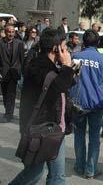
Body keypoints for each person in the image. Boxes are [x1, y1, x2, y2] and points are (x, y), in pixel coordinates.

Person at [10, 28, 74, 185]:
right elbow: (55, 88)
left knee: (57, 176)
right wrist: (66, 67)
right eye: (65, 47)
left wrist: (69, 70)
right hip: (40, 130)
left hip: (55, 129)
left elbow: (62, 87)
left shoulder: (51, 66)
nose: (67, 51)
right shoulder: (38, 67)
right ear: (56, 48)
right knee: (34, 174)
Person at [71, 29, 103, 179]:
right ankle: (90, 170)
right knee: (95, 137)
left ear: (84, 42)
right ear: (98, 43)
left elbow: (72, 79)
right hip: (97, 104)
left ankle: (79, 165)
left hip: (79, 104)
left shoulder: (76, 57)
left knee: (79, 135)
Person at [0, 24, 24, 122]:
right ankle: (7, 109)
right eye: (9, 32)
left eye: (12, 32)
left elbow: (22, 59)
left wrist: (21, 71)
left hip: (14, 73)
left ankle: (9, 114)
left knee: (11, 94)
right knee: (5, 94)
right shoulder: (0, 43)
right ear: (5, 32)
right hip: (3, 73)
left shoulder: (19, 43)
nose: (11, 34)